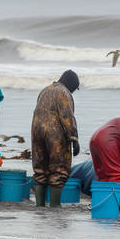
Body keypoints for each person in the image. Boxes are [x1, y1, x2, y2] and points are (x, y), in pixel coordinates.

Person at [32, 70, 80, 208]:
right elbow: (67, 117)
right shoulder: (64, 93)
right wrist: (74, 138)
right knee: (59, 169)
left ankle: (39, 205)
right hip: (54, 133)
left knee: (40, 169)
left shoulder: (45, 90)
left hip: (36, 131)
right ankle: (55, 206)